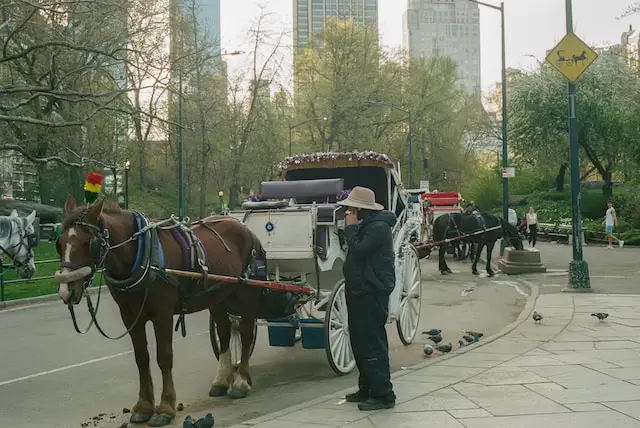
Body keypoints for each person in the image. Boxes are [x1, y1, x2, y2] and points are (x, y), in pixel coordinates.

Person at [338, 186, 397, 411]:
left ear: (362, 210)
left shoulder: (379, 228)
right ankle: (367, 387)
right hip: (359, 291)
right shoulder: (368, 225)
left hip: (370, 292)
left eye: (352, 209)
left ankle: (384, 394)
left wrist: (351, 228)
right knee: (360, 342)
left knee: (372, 343)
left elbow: (360, 250)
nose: (349, 213)